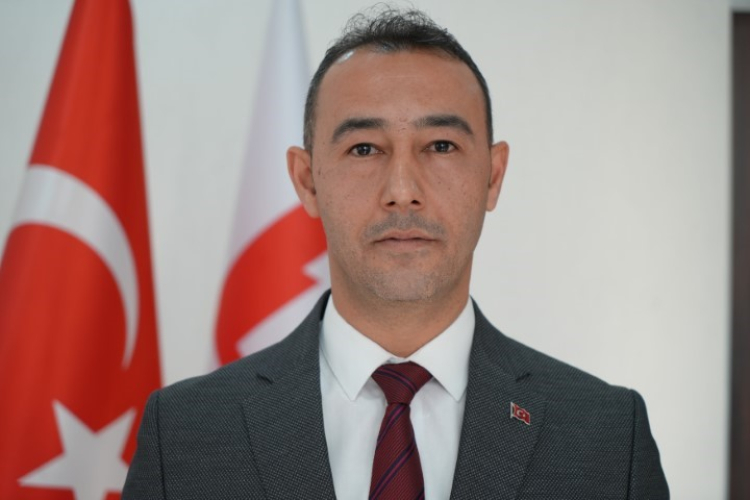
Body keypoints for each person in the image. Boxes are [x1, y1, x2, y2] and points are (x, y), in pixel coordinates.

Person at [123, 7, 669, 499]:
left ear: (493, 176)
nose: (403, 190)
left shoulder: (606, 436)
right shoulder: (184, 433)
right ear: (307, 180)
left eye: (441, 146)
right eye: (364, 148)